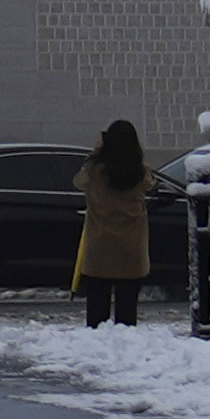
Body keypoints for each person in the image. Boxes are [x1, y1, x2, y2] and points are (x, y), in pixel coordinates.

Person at [71, 117, 157, 328]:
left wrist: (96, 153)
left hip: (100, 248)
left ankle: (97, 349)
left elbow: (78, 181)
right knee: (127, 313)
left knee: (96, 316)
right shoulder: (140, 173)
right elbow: (151, 184)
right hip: (131, 250)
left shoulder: (95, 172)